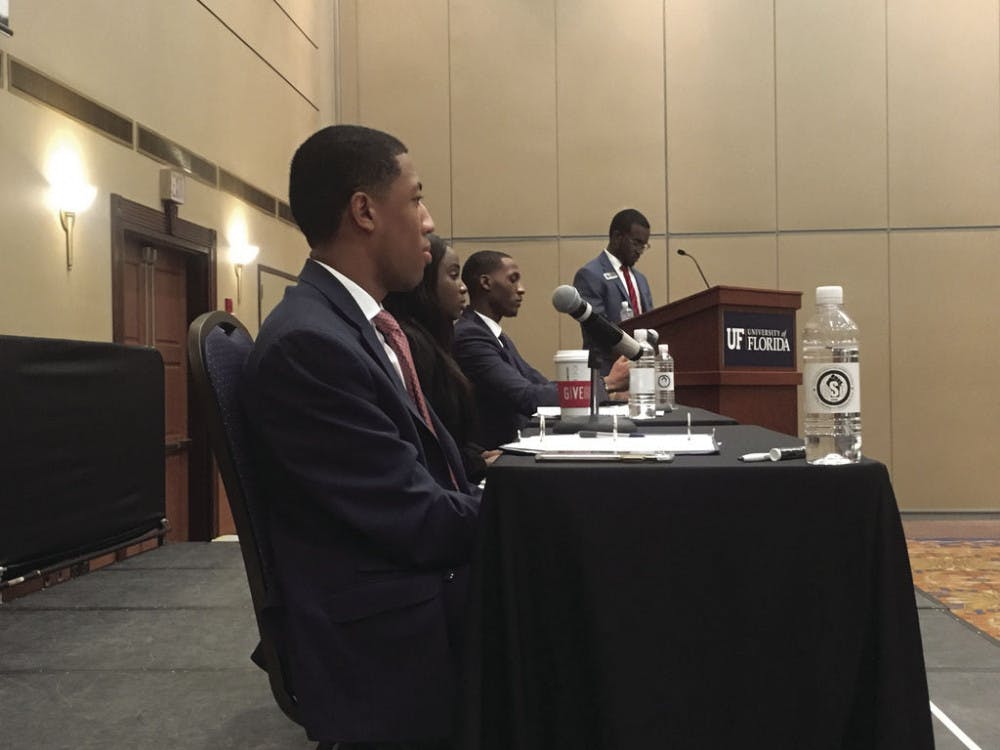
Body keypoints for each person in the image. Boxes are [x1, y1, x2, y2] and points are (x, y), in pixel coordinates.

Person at [241, 124, 480, 749]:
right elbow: (415, 518)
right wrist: (538, 506)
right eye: (417, 199)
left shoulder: (358, 324)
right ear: (365, 211)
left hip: (406, 593)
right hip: (385, 634)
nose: (428, 222)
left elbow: (425, 477)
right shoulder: (311, 345)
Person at [453, 250, 629, 448]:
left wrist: (606, 394)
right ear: (486, 283)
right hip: (497, 454)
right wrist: (607, 384)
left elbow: (539, 384)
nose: (521, 289)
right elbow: (527, 397)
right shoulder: (470, 336)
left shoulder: (492, 333)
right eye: (513, 280)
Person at [384, 234, 499, 483]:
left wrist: (475, 456)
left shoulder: (435, 341)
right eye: (453, 274)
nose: (463, 287)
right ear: (425, 284)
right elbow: (428, 442)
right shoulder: (412, 345)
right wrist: (475, 462)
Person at [572, 208, 655, 371]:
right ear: (617, 237)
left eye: (644, 246)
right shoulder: (590, 274)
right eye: (636, 243)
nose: (640, 251)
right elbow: (598, 329)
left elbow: (652, 321)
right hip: (607, 370)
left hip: (642, 369)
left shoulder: (640, 279)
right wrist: (632, 350)